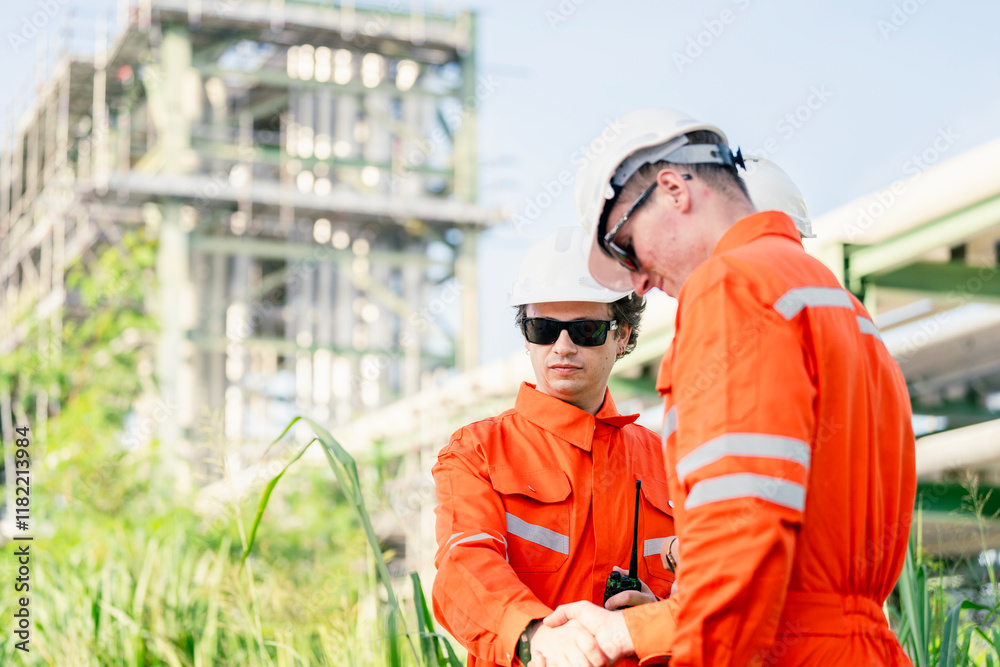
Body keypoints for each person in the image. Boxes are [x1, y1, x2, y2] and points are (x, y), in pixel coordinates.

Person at [541, 109, 916, 666]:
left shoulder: (731, 288)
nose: (637, 279)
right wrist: (636, 630)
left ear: (672, 189)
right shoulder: (835, 301)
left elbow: (741, 535)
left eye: (625, 245)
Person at [431, 226, 677, 667]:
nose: (562, 347)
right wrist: (534, 636)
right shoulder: (478, 452)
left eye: (585, 329)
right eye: (543, 328)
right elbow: (462, 568)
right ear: (526, 335)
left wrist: (652, 620)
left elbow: (718, 586)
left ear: (622, 335)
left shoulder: (668, 460)